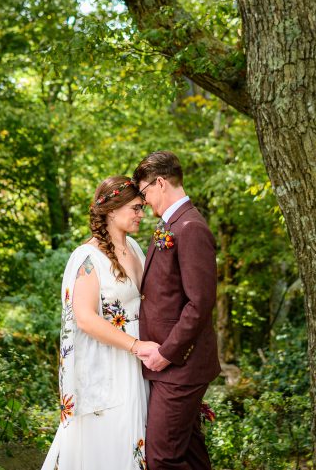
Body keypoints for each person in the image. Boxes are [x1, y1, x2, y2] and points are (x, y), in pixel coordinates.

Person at [41, 175, 159, 470]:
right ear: (110, 210)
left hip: (138, 365)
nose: (141, 215)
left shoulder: (134, 247)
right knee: (110, 440)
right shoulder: (86, 258)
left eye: (142, 207)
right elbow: (84, 318)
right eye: (134, 208)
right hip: (110, 364)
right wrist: (136, 345)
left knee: (138, 440)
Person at [133, 151, 220, 470]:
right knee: (190, 452)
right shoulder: (173, 224)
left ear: (159, 182)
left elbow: (200, 304)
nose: (144, 202)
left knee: (162, 459)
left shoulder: (190, 227)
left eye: (144, 193)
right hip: (172, 366)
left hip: (180, 365)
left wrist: (167, 353)